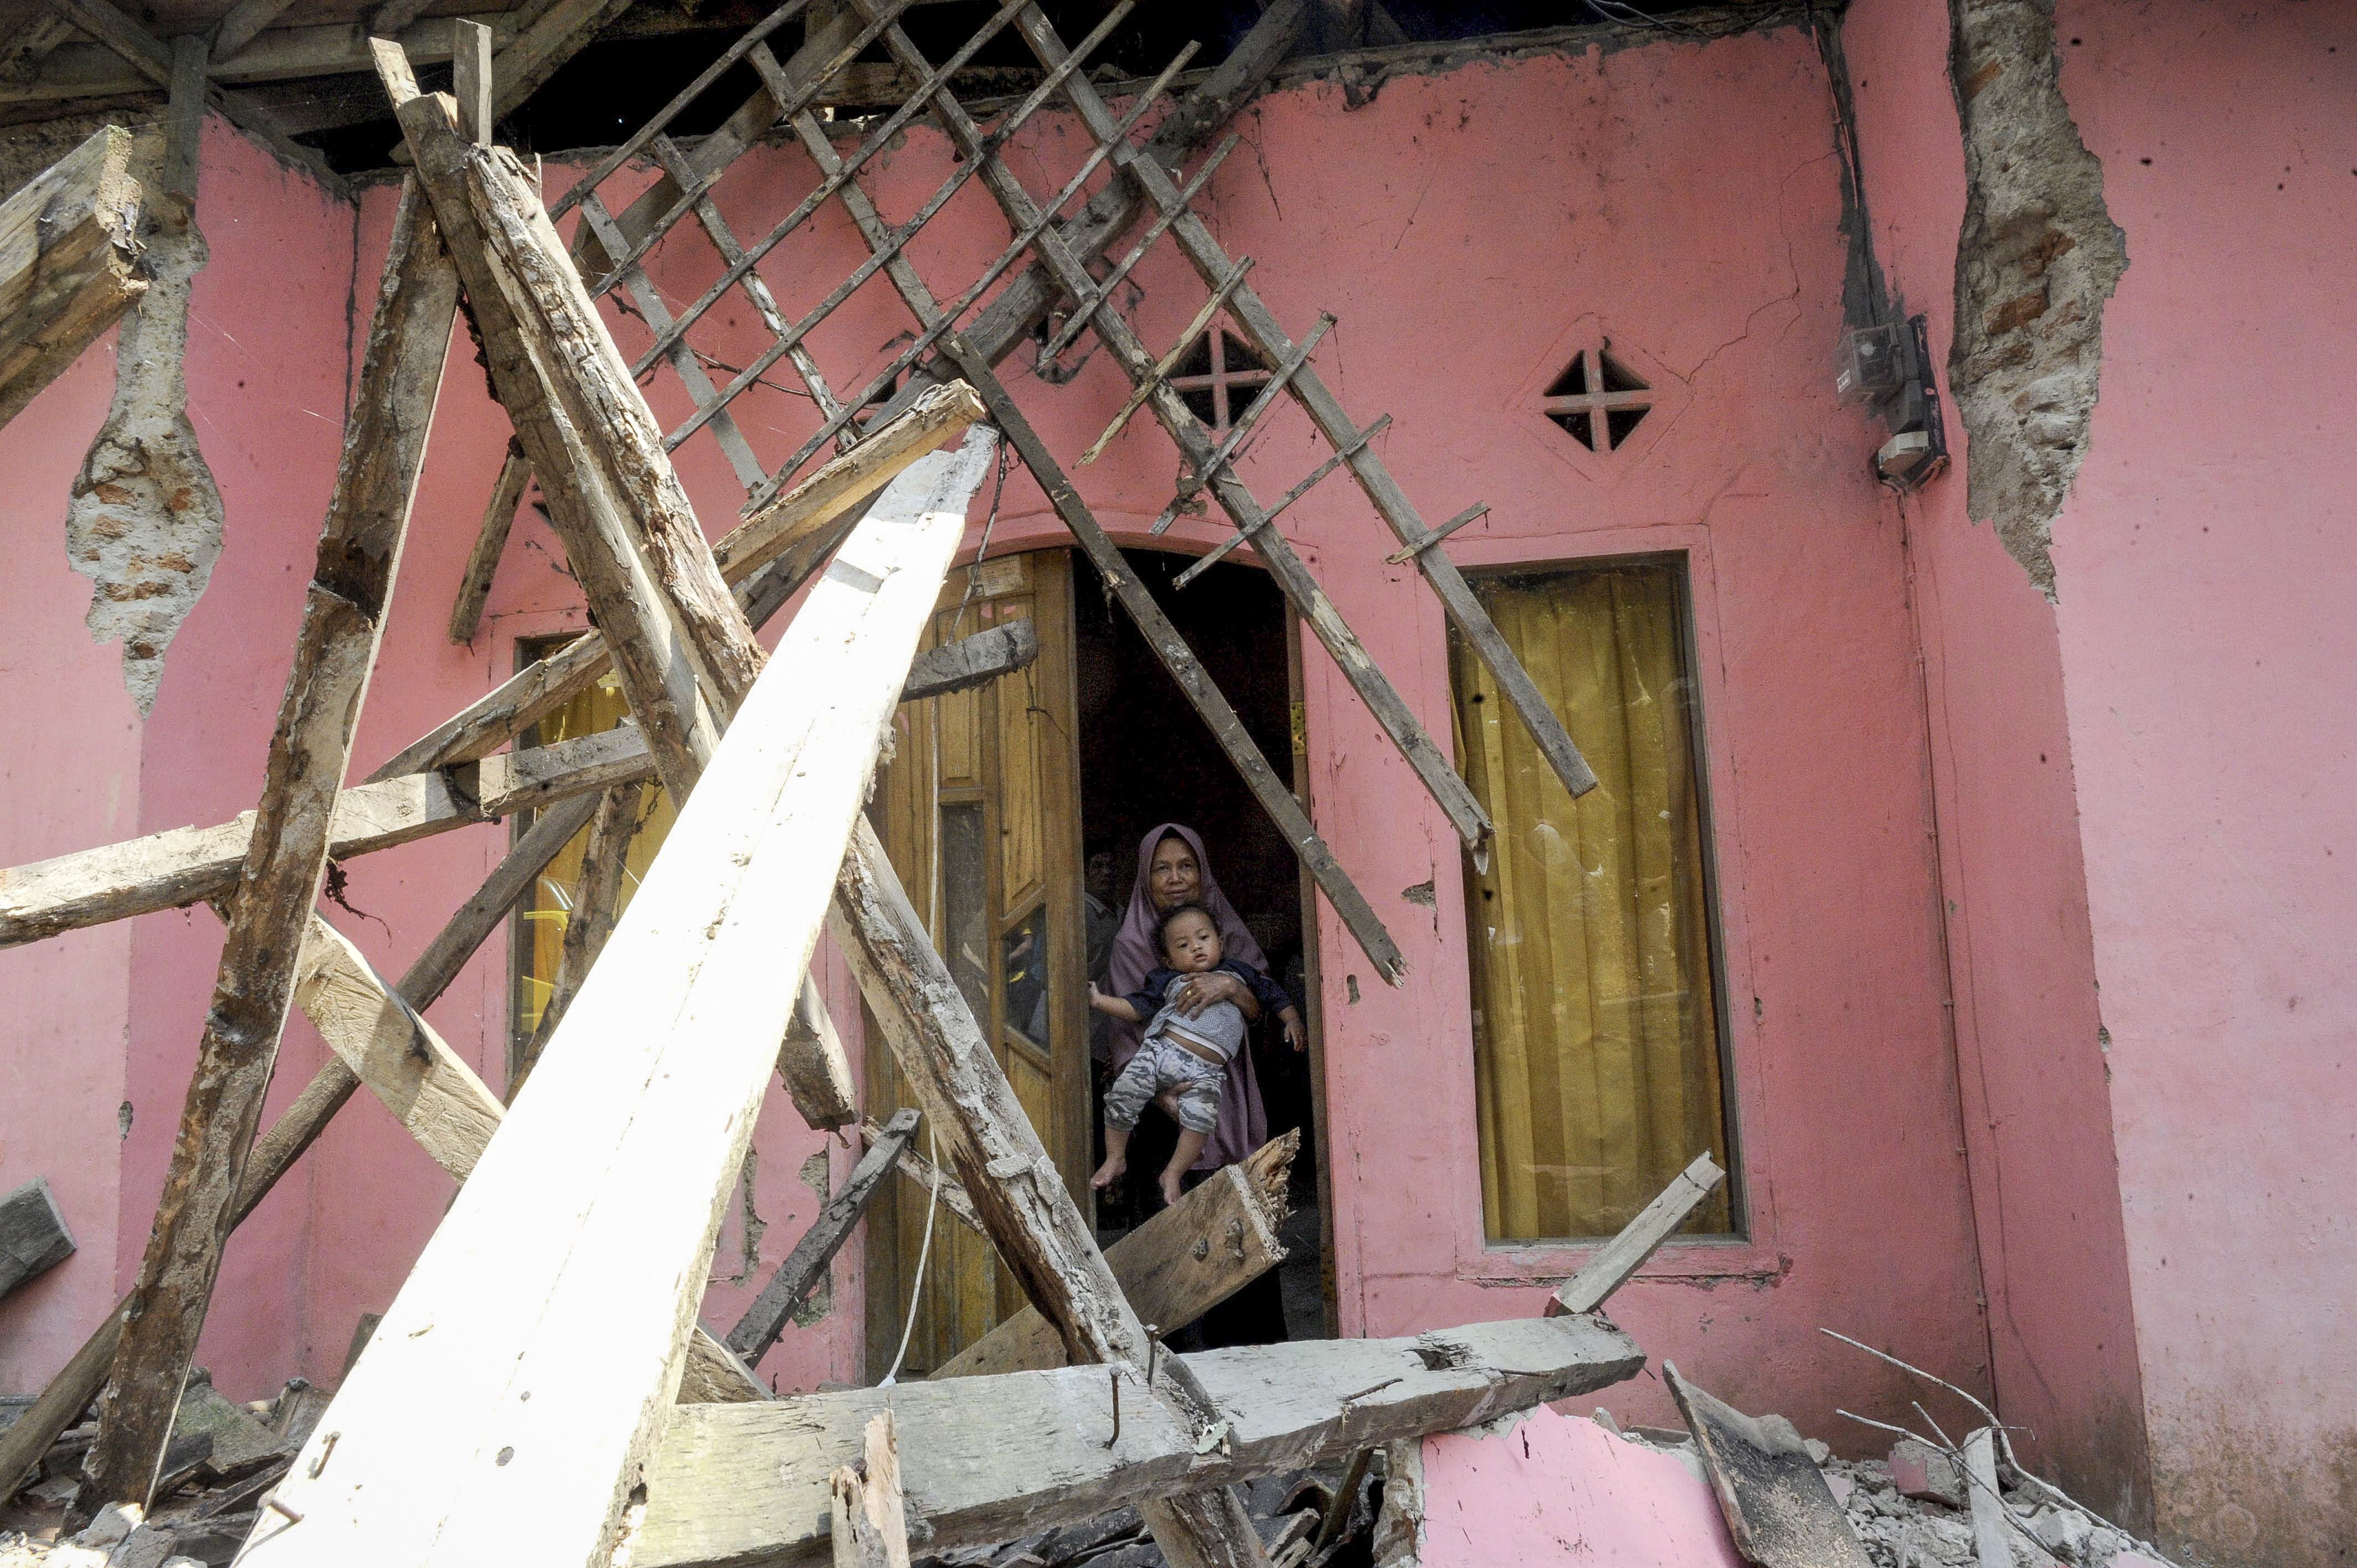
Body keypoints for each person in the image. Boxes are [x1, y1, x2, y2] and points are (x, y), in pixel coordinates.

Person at [1104, 824, 1304, 1348]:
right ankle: (1179, 1365)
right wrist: (1169, 1102)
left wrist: (1230, 985)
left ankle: (1254, 1359)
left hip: (1231, 1101)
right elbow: (1126, 1038)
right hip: (1163, 1113)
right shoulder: (1131, 946)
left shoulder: (1227, 934)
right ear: (1145, 878)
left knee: (1241, 1235)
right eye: (1162, 869)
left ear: (1203, 873)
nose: (1175, 878)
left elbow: (1259, 1011)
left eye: (1186, 866)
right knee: (1177, 1247)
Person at [1089, 902, 1289, 1206]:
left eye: (1203, 938)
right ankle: (1115, 1158)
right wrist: (1099, 1001)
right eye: (1183, 945)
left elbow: (1271, 994)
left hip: (1207, 1071)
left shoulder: (1239, 974)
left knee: (1201, 1121)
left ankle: (1172, 1174)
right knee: (1123, 1095)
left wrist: (1293, 1020)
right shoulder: (1167, 980)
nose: (1196, 947)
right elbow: (1136, 1008)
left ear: (1221, 942)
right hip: (1160, 1053)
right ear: (1169, 960)